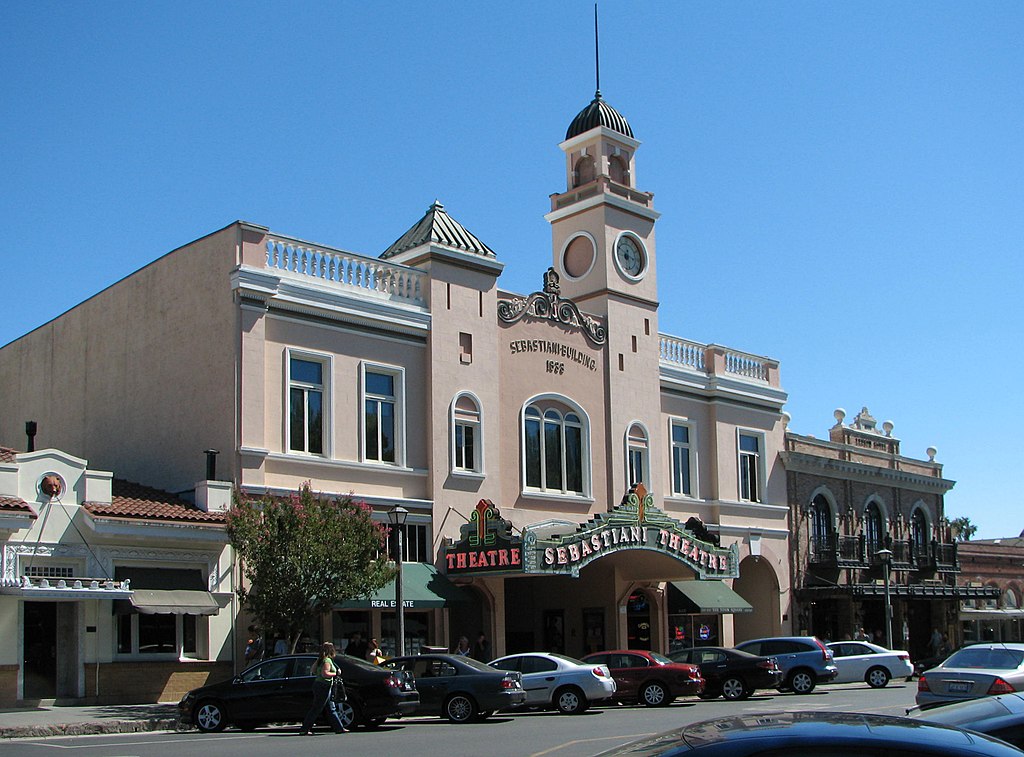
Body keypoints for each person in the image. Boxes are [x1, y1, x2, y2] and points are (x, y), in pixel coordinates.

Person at [298, 642, 347, 735]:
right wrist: (336, 673)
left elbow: (312, 670)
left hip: (320, 685)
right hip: (323, 685)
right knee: (317, 708)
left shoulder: (320, 660)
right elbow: (325, 674)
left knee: (331, 708)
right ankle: (305, 728)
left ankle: (339, 728)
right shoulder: (327, 661)